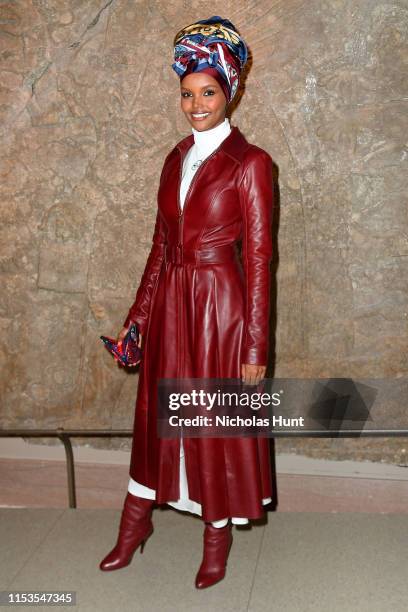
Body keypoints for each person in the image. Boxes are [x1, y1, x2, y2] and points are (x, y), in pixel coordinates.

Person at [99, 16, 275, 589]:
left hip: (220, 314)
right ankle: (133, 525)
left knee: (209, 426)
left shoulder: (251, 165)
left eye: (207, 93)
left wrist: (254, 345)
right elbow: (158, 248)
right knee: (155, 419)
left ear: (231, 91)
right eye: (187, 93)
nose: (195, 104)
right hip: (173, 306)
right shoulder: (175, 158)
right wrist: (137, 320)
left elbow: (259, 261)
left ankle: (216, 537)